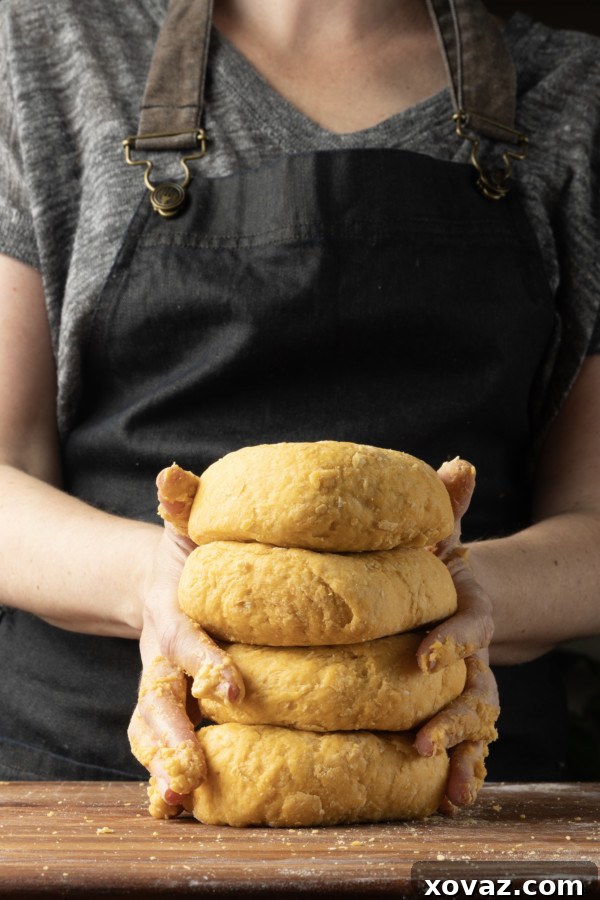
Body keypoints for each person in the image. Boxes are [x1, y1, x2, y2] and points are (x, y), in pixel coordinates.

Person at [0, 0, 599, 815]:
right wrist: (156, 586)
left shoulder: (575, 93)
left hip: (456, 783)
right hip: (84, 781)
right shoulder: (45, 50)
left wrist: (465, 597)